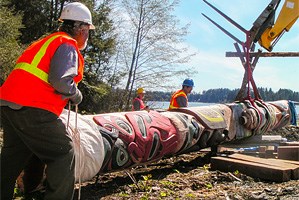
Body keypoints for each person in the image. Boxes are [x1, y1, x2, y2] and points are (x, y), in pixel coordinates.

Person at [0, 2, 95, 200]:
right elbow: (60, 80)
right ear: (81, 28)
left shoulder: (44, 42)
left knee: (13, 158)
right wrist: (76, 94)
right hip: (33, 108)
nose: (87, 36)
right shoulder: (66, 44)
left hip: (9, 105)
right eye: (87, 31)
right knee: (63, 154)